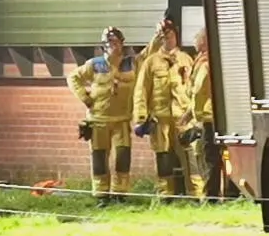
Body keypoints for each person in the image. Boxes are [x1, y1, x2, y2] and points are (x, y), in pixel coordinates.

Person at [67, 27, 135, 203]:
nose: (114, 46)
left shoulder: (131, 63)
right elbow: (73, 77)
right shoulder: (94, 64)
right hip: (98, 120)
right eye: (110, 43)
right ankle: (101, 195)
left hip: (122, 121)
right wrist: (85, 98)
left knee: (123, 157)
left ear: (122, 44)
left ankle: (120, 193)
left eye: (117, 42)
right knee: (99, 158)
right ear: (104, 45)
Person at [133, 19, 193, 203]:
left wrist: (194, 114)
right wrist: (141, 118)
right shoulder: (151, 63)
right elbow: (141, 91)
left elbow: (194, 89)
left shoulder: (186, 59)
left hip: (183, 118)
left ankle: (197, 195)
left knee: (191, 157)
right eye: (164, 36)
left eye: (171, 35)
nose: (169, 39)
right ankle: (165, 194)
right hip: (160, 119)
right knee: (163, 156)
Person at [183, 29, 216, 202]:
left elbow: (199, 91)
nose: (194, 40)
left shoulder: (204, 63)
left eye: (197, 37)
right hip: (210, 115)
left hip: (207, 117)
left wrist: (193, 116)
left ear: (204, 41)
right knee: (210, 156)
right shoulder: (204, 60)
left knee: (207, 156)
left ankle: (210, 197)